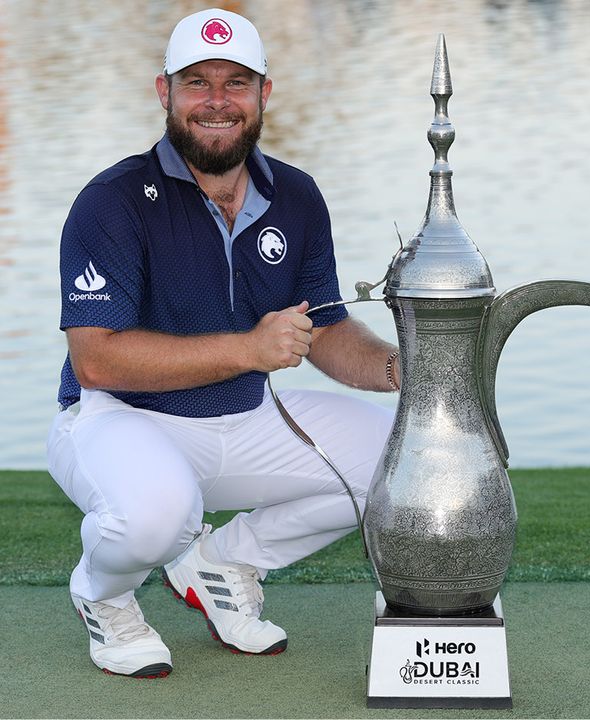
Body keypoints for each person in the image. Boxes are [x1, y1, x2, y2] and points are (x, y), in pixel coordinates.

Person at [48, 9, 399, 678]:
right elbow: (95, 358)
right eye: (196, 84)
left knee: (397, 463)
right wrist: (247, 349)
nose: (216, 102)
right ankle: (104, 597)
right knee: (155, 516)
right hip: (116, 419)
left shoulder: (294, 193)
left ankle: (222, 561)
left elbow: (322, 327)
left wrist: (397, 367)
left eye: (236, 83)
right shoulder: (113, 199)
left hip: (244, 417)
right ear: (165, 93)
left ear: (264, 94)